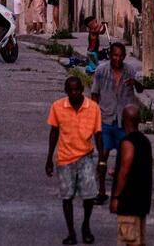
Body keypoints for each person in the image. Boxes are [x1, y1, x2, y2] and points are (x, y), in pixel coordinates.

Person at [46, 75, 104, 245]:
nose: (75, 93)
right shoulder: (57, 107)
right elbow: (54, 132)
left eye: (78, 89)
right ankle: (71, 232)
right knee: (67, 196)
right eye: (71, 90)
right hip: (64, 158)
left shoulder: (93, 108)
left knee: (88, 196)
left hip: (85, 156)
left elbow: (99, 135)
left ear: (82, 90)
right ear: (66, 91)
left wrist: (102, 160)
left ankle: (86, 226)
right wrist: (49, 158)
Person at [91, 42, 144, 204]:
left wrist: (135, 83)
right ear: (110, 55)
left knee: (126, 156)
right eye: (115, 55)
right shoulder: (101, 71)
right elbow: (94, 94)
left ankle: (123, 191)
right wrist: (94, 116)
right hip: (106, 119)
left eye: (121, 56)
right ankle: (100, 191)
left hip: (124, 121)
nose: (118, 59)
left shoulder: (131, 71)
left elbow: (141, 89)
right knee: (103, 155)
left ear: (124, 57)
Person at [109, 105, 152, 246]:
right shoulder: (145, 141)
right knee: (139, 241)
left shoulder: (127, 142)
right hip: (142, 202)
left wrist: (116, 197)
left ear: (124, 120)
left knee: (128, 240)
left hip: (129, 203)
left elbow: (125, 171)